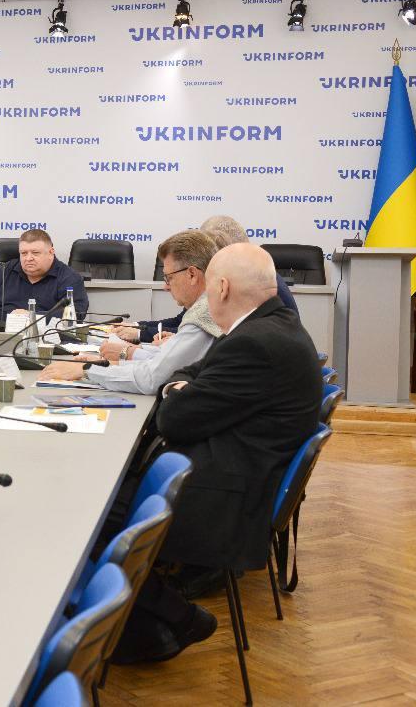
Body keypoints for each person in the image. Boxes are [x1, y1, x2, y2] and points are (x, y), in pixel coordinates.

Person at [109, 243, 321, 665]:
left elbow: (175, 419)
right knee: (113, 493)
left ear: (221, 287)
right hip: (231, 470)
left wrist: (176, 393)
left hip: (227, 496)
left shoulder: (256, 343)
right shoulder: (266, 327)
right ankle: (157, 622)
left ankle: (170, 620)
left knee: (100, 513)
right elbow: (188, 374)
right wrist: (179, 388)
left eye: (209, 287)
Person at [42, 231, 221, 394]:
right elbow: (160, 362)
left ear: (192, 274)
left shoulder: (204, 316)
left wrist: (86, 370)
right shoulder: (207, 307)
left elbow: (152, 379)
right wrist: (106, 363)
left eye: (169, 278)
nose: (166, 286)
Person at [116, 215, 299, 344]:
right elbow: (190, 324)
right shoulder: (243, 277)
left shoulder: (248, 284)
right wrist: (138, 327)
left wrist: (140, 337)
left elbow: (206, 332)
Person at [0, 229, 89, 321]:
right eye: (24, 253)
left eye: (35, 253)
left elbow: (76, 314)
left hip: (45, 341)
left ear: (51, 252)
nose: (28, 258)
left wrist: (32, 316)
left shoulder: (69, 278)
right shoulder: (4, 271)